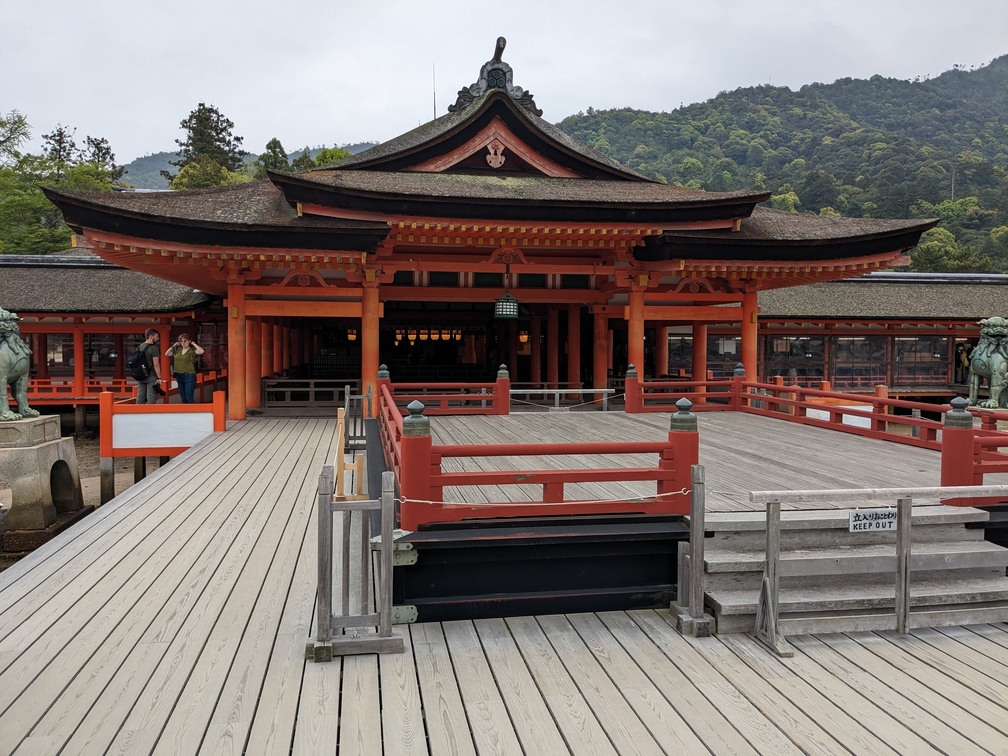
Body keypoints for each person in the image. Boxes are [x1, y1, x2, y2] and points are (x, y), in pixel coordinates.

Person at [164, 333, 205, 403]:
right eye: (181, 341)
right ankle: (186, 412)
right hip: (179, 375)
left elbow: (201, 351)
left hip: (189, 375)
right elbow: (167, 353)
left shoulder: (191, 351)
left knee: (189, 396)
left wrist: (194, 344)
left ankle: (192, 412)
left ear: (189, 341)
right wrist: (174, 345)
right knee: (183, 397)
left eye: (185, 341)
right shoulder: (178, 350)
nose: (183, 343)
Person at [135, 328, 162, 404]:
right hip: (151, 376)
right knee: (151, 398)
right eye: (156, 337)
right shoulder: (153, 348)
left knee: (140, 398)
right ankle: (150, 414)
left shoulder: (139, 347)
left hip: (141, 375)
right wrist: (159, 377)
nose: (158, 339)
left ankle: (137, 414)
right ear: (151, 336)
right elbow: (156, 364)